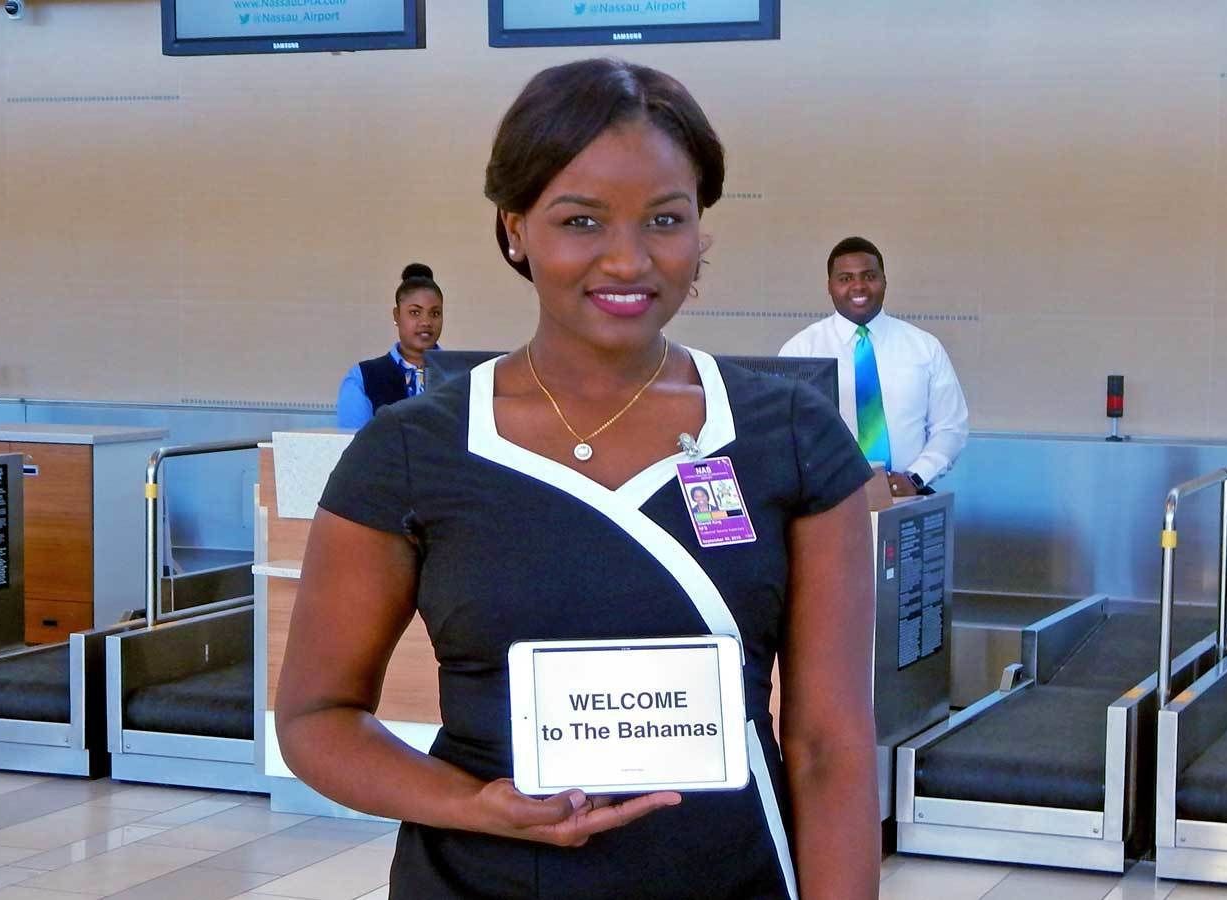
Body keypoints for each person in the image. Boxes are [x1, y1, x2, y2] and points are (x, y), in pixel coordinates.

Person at [276, 58, 879, 900]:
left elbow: (830, 746)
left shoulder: (791, 436)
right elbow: (315, 719)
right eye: (582, 221)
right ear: (516, 227)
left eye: (665, 219)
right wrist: (476, 804)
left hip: (733, 875)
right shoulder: (415, 450)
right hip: (480, 881)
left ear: (700, 227)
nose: (628, 260)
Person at [778, 237, 969, 497]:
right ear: (830, 286)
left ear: (884, 281)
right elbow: (785, 435)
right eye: (845, 278)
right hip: (829, 503)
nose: (859, 286)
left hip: (908, 496)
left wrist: (914, 478)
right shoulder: (800, 350)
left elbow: (950, 428)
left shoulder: (924, 347)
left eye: (869, 276)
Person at [335, 263, 445, 428]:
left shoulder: (461, 376)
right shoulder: (363, 377)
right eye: (415, 312)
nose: (426, 322)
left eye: (435, 313)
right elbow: (353, 445)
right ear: (397, 315)